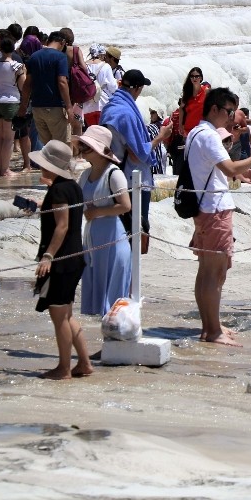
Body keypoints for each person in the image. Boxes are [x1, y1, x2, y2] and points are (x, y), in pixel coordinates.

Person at [187, 87, 251, 345]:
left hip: (204, 208)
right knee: (215, 273)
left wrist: (240, 173)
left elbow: (216, 169)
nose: (231, 117)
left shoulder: (196, 132)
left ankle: (210, 326)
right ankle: (212, 331)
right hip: (215, 209)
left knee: (206, 271)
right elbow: (229, 167)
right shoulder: (209, 136)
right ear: (214, 109)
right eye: (228, 111)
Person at [30, 139, 91, 380]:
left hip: (62, 261)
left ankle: (64, 368)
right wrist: (40, 206)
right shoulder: (72, 187)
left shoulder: (58, 190)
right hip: (75, 257)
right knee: (67, 314)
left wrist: (48, 256)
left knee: (59, 316)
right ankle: (84, 363)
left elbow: (62, 226)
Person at [74, 125, 132, 317]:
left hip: (112, 241)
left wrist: (97, 212)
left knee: (112, 304)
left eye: (87, 146)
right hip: (92, 242)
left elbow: (126, 206)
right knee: (94, 300)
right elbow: (74, 202)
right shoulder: (85, 175)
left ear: (100, 150)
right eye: (82, 145)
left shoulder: (114, 174)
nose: (82, 149)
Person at [101, 69, 155, 252]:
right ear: (137, 89)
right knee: (135, 233)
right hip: (132, 180)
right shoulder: (126, 114)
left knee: (119, 232)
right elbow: (137, 154)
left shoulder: (109, 108)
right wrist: (160, 137)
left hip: (112, 175)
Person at [19, 31, 71, 146]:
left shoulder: (34, 57)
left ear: (48, 41)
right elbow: (62, 82)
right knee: (61, 146)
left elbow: (27, 84)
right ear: (62, 42)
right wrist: (69, 107)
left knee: (47, 147)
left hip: (37, 108)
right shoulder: (60, 57)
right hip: (55, 107)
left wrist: (23, 106)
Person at [0, 37, 24, 177]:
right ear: (13, 49)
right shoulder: (16, 66)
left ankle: (0, 168)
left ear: (0, 49)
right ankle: (5, 170)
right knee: (8, 138)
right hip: (11, 101)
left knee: (0, 137)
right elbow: (22, 86)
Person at [82, 44, 117, 128]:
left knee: (92, 131)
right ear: (101, 54)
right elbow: (113, 87)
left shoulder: (84, 65)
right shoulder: (106, 66)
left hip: (87, 105)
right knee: (103, 131)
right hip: (103, 104)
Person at [180, 67, 210, 136]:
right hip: (188, 131)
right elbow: (181, 108)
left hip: (201, 131)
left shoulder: (206, 91)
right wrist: (180, 125)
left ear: (201, 78)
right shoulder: (187, 93)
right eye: (192, 76)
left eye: (197, 76)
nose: (194, 78)